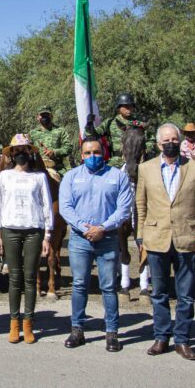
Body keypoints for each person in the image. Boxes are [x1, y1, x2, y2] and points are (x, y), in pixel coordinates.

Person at [136, 123, 195, 361]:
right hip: (155, 238)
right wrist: (140, 236)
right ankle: (161, 336)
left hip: (186, 238)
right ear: (159, 144)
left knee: (186, 294)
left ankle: (182, 339)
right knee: (158, 292)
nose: (171, 143)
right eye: (166, 140)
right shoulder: (145, 169)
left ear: (180, 142)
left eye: (174, 139)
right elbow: (140, 204)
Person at [60, 136, 132, 353]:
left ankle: (112, 333)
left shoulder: (118, 177)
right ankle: (77, 329)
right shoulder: (71, 177)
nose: (92, 157)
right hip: (79, 240)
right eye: (88, 153)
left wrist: (103, 227)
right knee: (80, 284)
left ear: (104, 153)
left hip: (107, 238)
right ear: (81, 155)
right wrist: (84, 228)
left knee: (108, 287)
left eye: (97, 152)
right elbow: (65, 207)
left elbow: (124, 209)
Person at [0, 134, 55, 344]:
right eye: (17, 150)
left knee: (30, 278)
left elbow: (46, 204)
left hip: (33, 229)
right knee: (14, 277)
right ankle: (13, 322)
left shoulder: (38, 177)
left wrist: (47, 235)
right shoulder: (4, 176)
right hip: (10, 228)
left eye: (24, 150)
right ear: (11, 154)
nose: (21, 154)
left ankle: (28, 322)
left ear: (30, 152)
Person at [99, 93, 153, 167]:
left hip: (137, 161)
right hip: (116, 162)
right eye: (125, 106)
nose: (128, 109)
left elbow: (151, 140)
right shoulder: (109, 122)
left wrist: (145, 150)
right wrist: (90, 126)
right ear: (119, 108)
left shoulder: (139, 124)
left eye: (130, 106)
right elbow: (94, 134)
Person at [30, 106, 72, 174]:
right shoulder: (32, 133)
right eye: (42, 115)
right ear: (37, 117)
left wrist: (55, 152)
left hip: (58, 169)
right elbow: (28, 151)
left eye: (47, 115)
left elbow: (69, 147)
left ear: (51, 116)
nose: (45, 117)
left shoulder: (60, 131)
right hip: (38, 170)